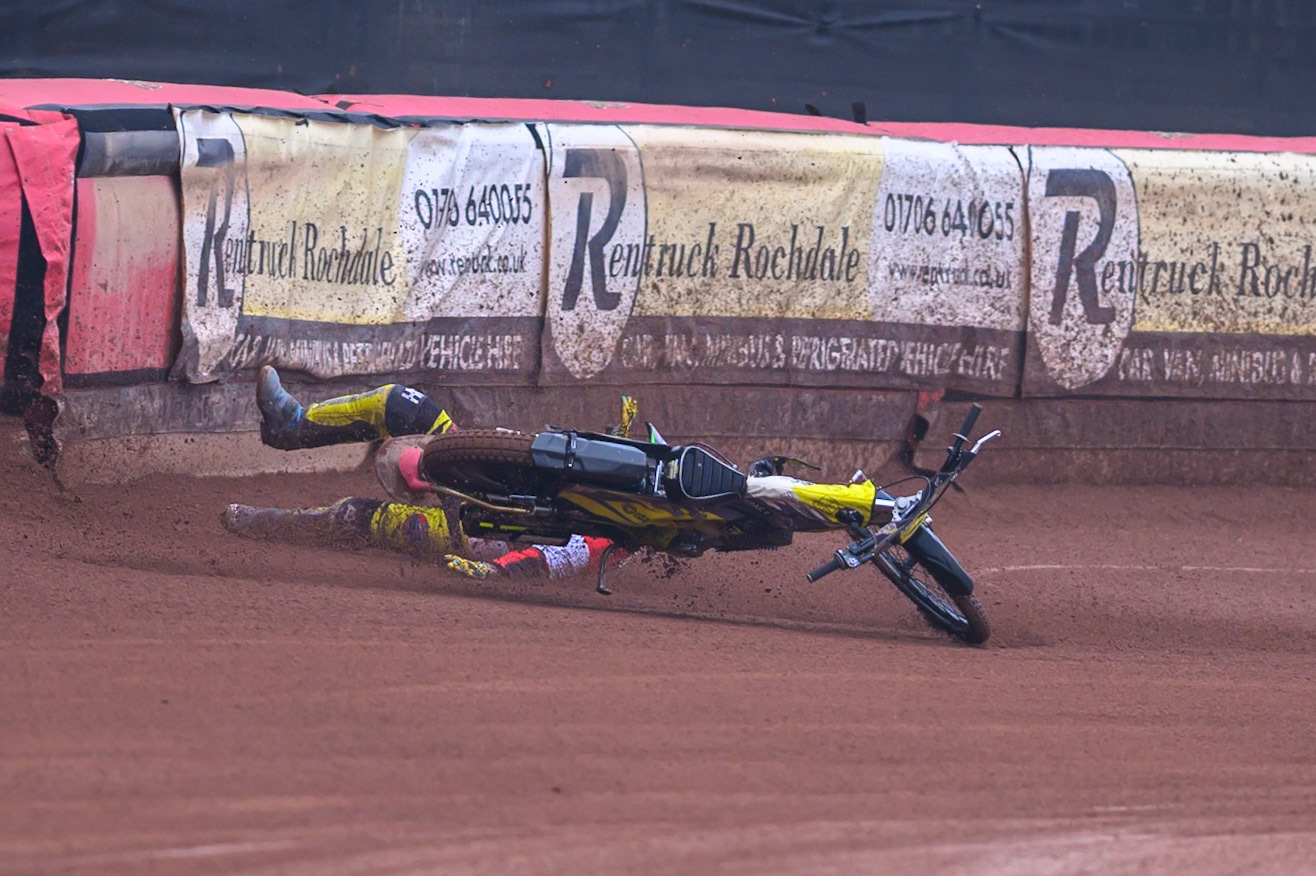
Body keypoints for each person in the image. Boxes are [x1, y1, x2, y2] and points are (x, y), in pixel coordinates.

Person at [222, 366, 620, 581]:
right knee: (400, 404)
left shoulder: (613, 537)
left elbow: (552, 560)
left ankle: (268, 522)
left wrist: (494, 571)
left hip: (471, 533)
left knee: (359, 517)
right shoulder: (607, 466)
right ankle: (292, 424)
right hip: (487, 473)